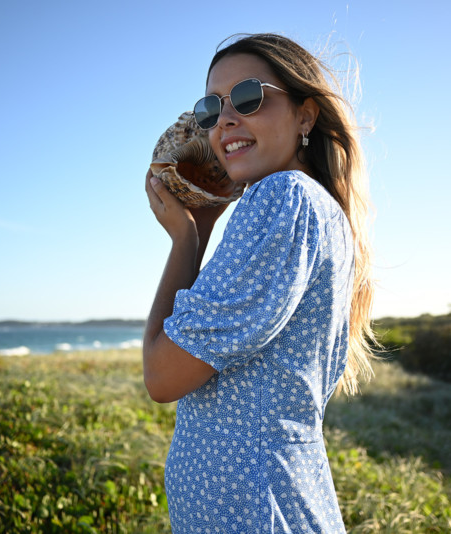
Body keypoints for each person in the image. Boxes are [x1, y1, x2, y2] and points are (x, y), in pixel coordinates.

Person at [143, 32, 378, 533]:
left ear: (305, 116)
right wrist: (204, 228)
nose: (225, 120)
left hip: (258, 513)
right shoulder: (310, 207)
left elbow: (162, 376)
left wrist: (185, 242)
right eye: (211, 109)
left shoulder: (282, 199)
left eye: (249, 97)